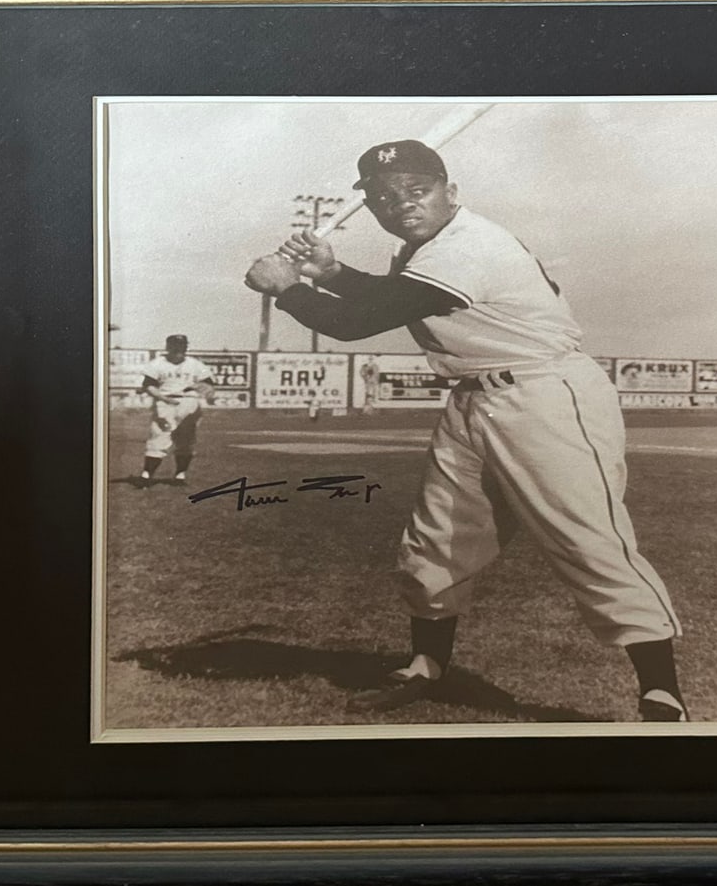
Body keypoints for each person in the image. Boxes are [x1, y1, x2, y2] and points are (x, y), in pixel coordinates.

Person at [243, 139, 687, 722]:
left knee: (589, 540)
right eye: (384, 197)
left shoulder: (469, 244)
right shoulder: (429, 248)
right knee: (437, 538)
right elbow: (394, 298)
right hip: (473, 398)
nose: (400, 204)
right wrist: (333, 271)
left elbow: (357, 323)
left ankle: (662, 693)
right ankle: (426, 667)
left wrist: (289, 287)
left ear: (451, 192)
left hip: (544, 396)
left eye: (416, 190)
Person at [138, 334, 216, 484]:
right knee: (159, 438)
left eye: (182, 346)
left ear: (186, 347)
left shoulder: (196, 364)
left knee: (186, 441)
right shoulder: (157, 364)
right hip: (165, 403)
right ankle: (146, 475)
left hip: (189, 403)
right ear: (168, 347)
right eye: (175, 346)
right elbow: (148, 385)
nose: (179, 349)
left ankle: (180, 476)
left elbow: (208, 385)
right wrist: (163, 398)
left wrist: (207, 391)